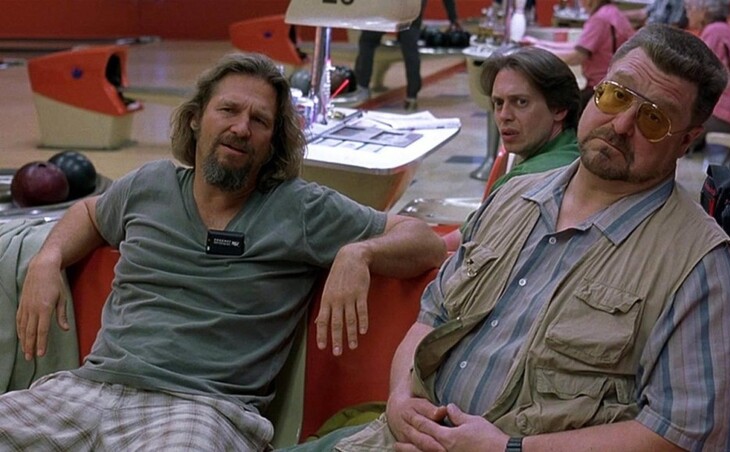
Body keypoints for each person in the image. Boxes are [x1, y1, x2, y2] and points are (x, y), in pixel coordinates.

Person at [292, 24, 730, 452]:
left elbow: (687, 439)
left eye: (654, 118)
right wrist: (401, 399)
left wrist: (510, 448)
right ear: (595, 91)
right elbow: (433, 317)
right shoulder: (513, 197)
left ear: (687, 139)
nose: (622, 124)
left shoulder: (708, 275)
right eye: (616, 96)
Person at [0, 52, 446, 450]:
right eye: (228, 110)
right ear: (196, 118)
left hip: (201, 408)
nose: (241, 128)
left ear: (273, 143)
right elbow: (89, 212)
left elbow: (423, 240)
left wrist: (359, 253)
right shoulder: (149, 185)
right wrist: (47, 258)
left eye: (260, 120)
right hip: (89, 390)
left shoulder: (300, 208)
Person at [441, 46, 581, 251]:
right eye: (498, 103)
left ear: (559, 108)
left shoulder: (524, 180)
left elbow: (459, 248)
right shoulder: (576, 150)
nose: (504, 115)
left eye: (521, 102)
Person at [523, 0, 635, 109]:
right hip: (615, 86)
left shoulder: (599, 19)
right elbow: (579, 47)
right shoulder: (612, 12)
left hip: (601, 88)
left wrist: (538, 54)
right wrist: (539, 44)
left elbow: (577, 56)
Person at [685, 0, 730, 165]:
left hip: (727, 114)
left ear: (704, 11)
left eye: (689, 8)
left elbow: (699, 75)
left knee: (675, 122)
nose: (687, 14)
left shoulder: (715, 32)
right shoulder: (724, 31)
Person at [354, 0, 428, 110]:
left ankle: (362, 86)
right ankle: (412, 95)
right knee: (410, 50)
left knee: (367, 42)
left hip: (387, 8)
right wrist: (452, 18)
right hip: (411, 9)